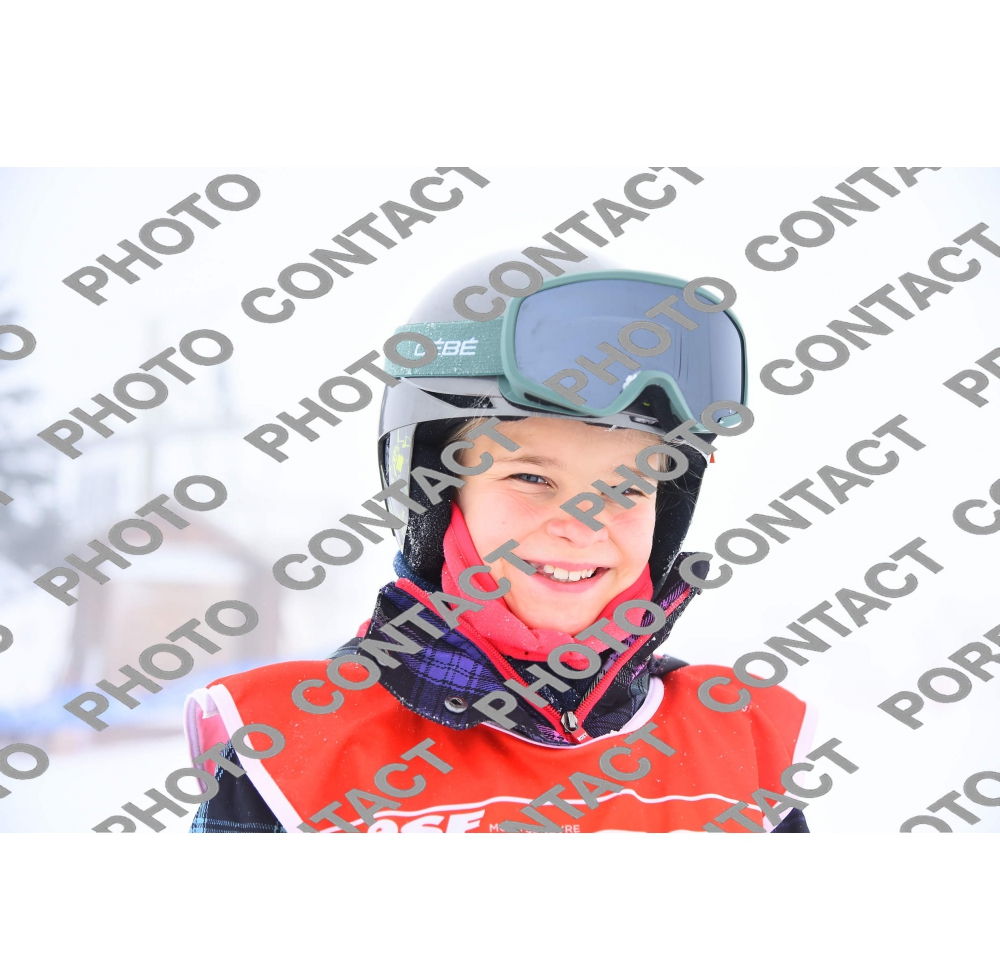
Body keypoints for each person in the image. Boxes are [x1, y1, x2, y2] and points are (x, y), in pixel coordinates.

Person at [184, 256, 812, 833]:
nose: (583, 525)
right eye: (531, 478)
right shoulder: (290, 751)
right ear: (435, 496)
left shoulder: (742, 744)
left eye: (627, 488)